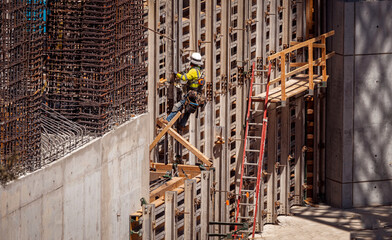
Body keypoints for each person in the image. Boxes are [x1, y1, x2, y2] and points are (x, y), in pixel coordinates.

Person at [166, 52, 205, 128]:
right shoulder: (199, 70)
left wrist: (177, 74)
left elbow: (184, 78)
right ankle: (182, 124)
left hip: (191, 93)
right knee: (188, 110)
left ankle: (168, 119)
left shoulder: (193, 71)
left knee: (178, 105)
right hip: (197, 94)